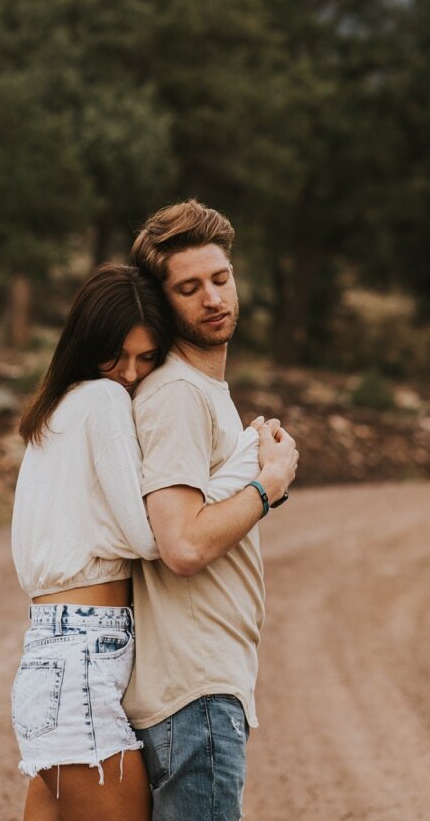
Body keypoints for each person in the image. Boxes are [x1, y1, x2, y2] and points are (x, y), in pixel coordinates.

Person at [8, 263, 295, 821]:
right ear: (87, 344)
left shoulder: (53, 413)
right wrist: (252, 470)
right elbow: (155, 536)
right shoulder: (104, 402)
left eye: (146, 358)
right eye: (117, 356)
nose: (132, 374)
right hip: (85, 663)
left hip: (51, 657)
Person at [125, 200, 300, 820]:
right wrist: (267, 488)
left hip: (201, 690)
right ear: (162, 301)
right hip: (193, 693)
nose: (212, 298)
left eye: (220, 279)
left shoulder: (202, 392)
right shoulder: (175, 394)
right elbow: (183, 545)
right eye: (189, 288)